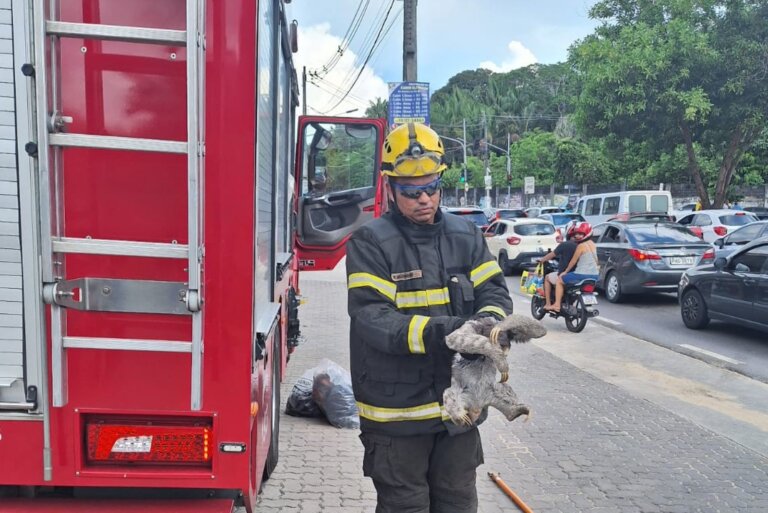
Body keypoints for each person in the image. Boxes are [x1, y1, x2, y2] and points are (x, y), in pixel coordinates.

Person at [346, 122, 514, 513]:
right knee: (406, 507)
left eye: (431, 188)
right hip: (397, 415)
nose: (424, 199)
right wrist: (454, 332)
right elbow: (374, 318)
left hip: (459, 415)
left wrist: (487, 327)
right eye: (410, 191)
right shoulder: (370, 242)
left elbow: (494, 292)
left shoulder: (466, 235)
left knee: (458, 504)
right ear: (390, 188)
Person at [550, 222, 599, 312]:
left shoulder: (580, 246)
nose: (577, 236)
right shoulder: (593, 244)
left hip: (581, 274)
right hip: (595, 276)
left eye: (580, 234)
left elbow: (573, 261)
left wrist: (565, 272)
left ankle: (556, 305)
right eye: (576, 234)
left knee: (560, 280)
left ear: (587, 233)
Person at [538, 221, 579, 310]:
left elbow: (551, 255)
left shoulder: (564, 245)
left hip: (566, 275)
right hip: (579, 276)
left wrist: (542, 260)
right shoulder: (582, 245)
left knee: (547, 278)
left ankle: (548, 304)